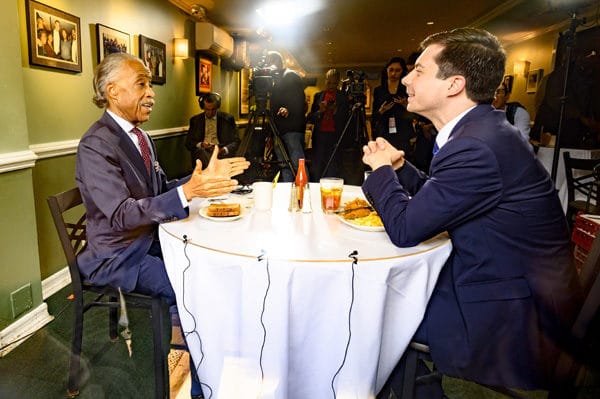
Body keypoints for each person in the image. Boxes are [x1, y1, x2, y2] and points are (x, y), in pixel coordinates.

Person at [362, 28, 581, 396]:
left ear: (454, 85)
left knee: (374, 311)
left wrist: (381, 171)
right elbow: (448, 195)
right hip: (511, 288)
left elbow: (404, 229)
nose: (406, 80)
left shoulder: (476, 146)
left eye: (419, 70)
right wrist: (401, 169)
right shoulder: (481, 132)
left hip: (509, 322)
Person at [75, 53, 249, 399]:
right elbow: (123, 214)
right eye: (142, 84)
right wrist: (188, 192)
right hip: (119, 255)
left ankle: (202, 361)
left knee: (209, 273)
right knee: (195, 287)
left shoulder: (140, 137)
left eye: (150, 84)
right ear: (113, 91)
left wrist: (196, 180)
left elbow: (159, 191)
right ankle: (200, 386)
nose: (151, 93)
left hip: (148, 240)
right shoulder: (96, 145)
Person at [265, 50, 307, 182]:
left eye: (268, 62)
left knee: (296, 165)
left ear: (275, 62)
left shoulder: (290, 76)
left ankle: (304, 193)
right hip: (279, 129)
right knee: (284, 165)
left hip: (291, 129)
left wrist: (289, 109)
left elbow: (300, 100)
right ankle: (289, 193)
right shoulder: (277, 79)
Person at [306, 69, 350, 181]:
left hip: (335, 136)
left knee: (333, 167)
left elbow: (347, 119)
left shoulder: (343, 97)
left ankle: (331, 191)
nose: (331, 85)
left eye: (334, 83)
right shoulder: (318, 96)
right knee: (317, 166)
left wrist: (335, 111)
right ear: (325, 81)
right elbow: (310, 117)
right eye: (329, 82)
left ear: (338, 83)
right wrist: (320, 111)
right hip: (319, 136)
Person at [372, 57, 416, 158]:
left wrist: (406, 105)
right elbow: (375, 116)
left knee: (403, 161)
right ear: (386, 70)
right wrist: (381, 111)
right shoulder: (379, 90)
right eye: (391, 70)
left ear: (402, 72)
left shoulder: (407, 89)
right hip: (384, 131)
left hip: (403, 131)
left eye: (397, 70)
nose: (393, 73)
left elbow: (415, 115)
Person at [185, 92, 240, 169]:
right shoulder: (195, 120)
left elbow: (236, 141)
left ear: (217, 107)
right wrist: (201, 144)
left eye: (213, 109)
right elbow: (188, 143)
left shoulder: (227, 119)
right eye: (207, 109)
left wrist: (223, 150)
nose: (210, 112)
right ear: (203, 107)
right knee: (201, 152)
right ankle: (213, 170)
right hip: (203, 152)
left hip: (221, 153)